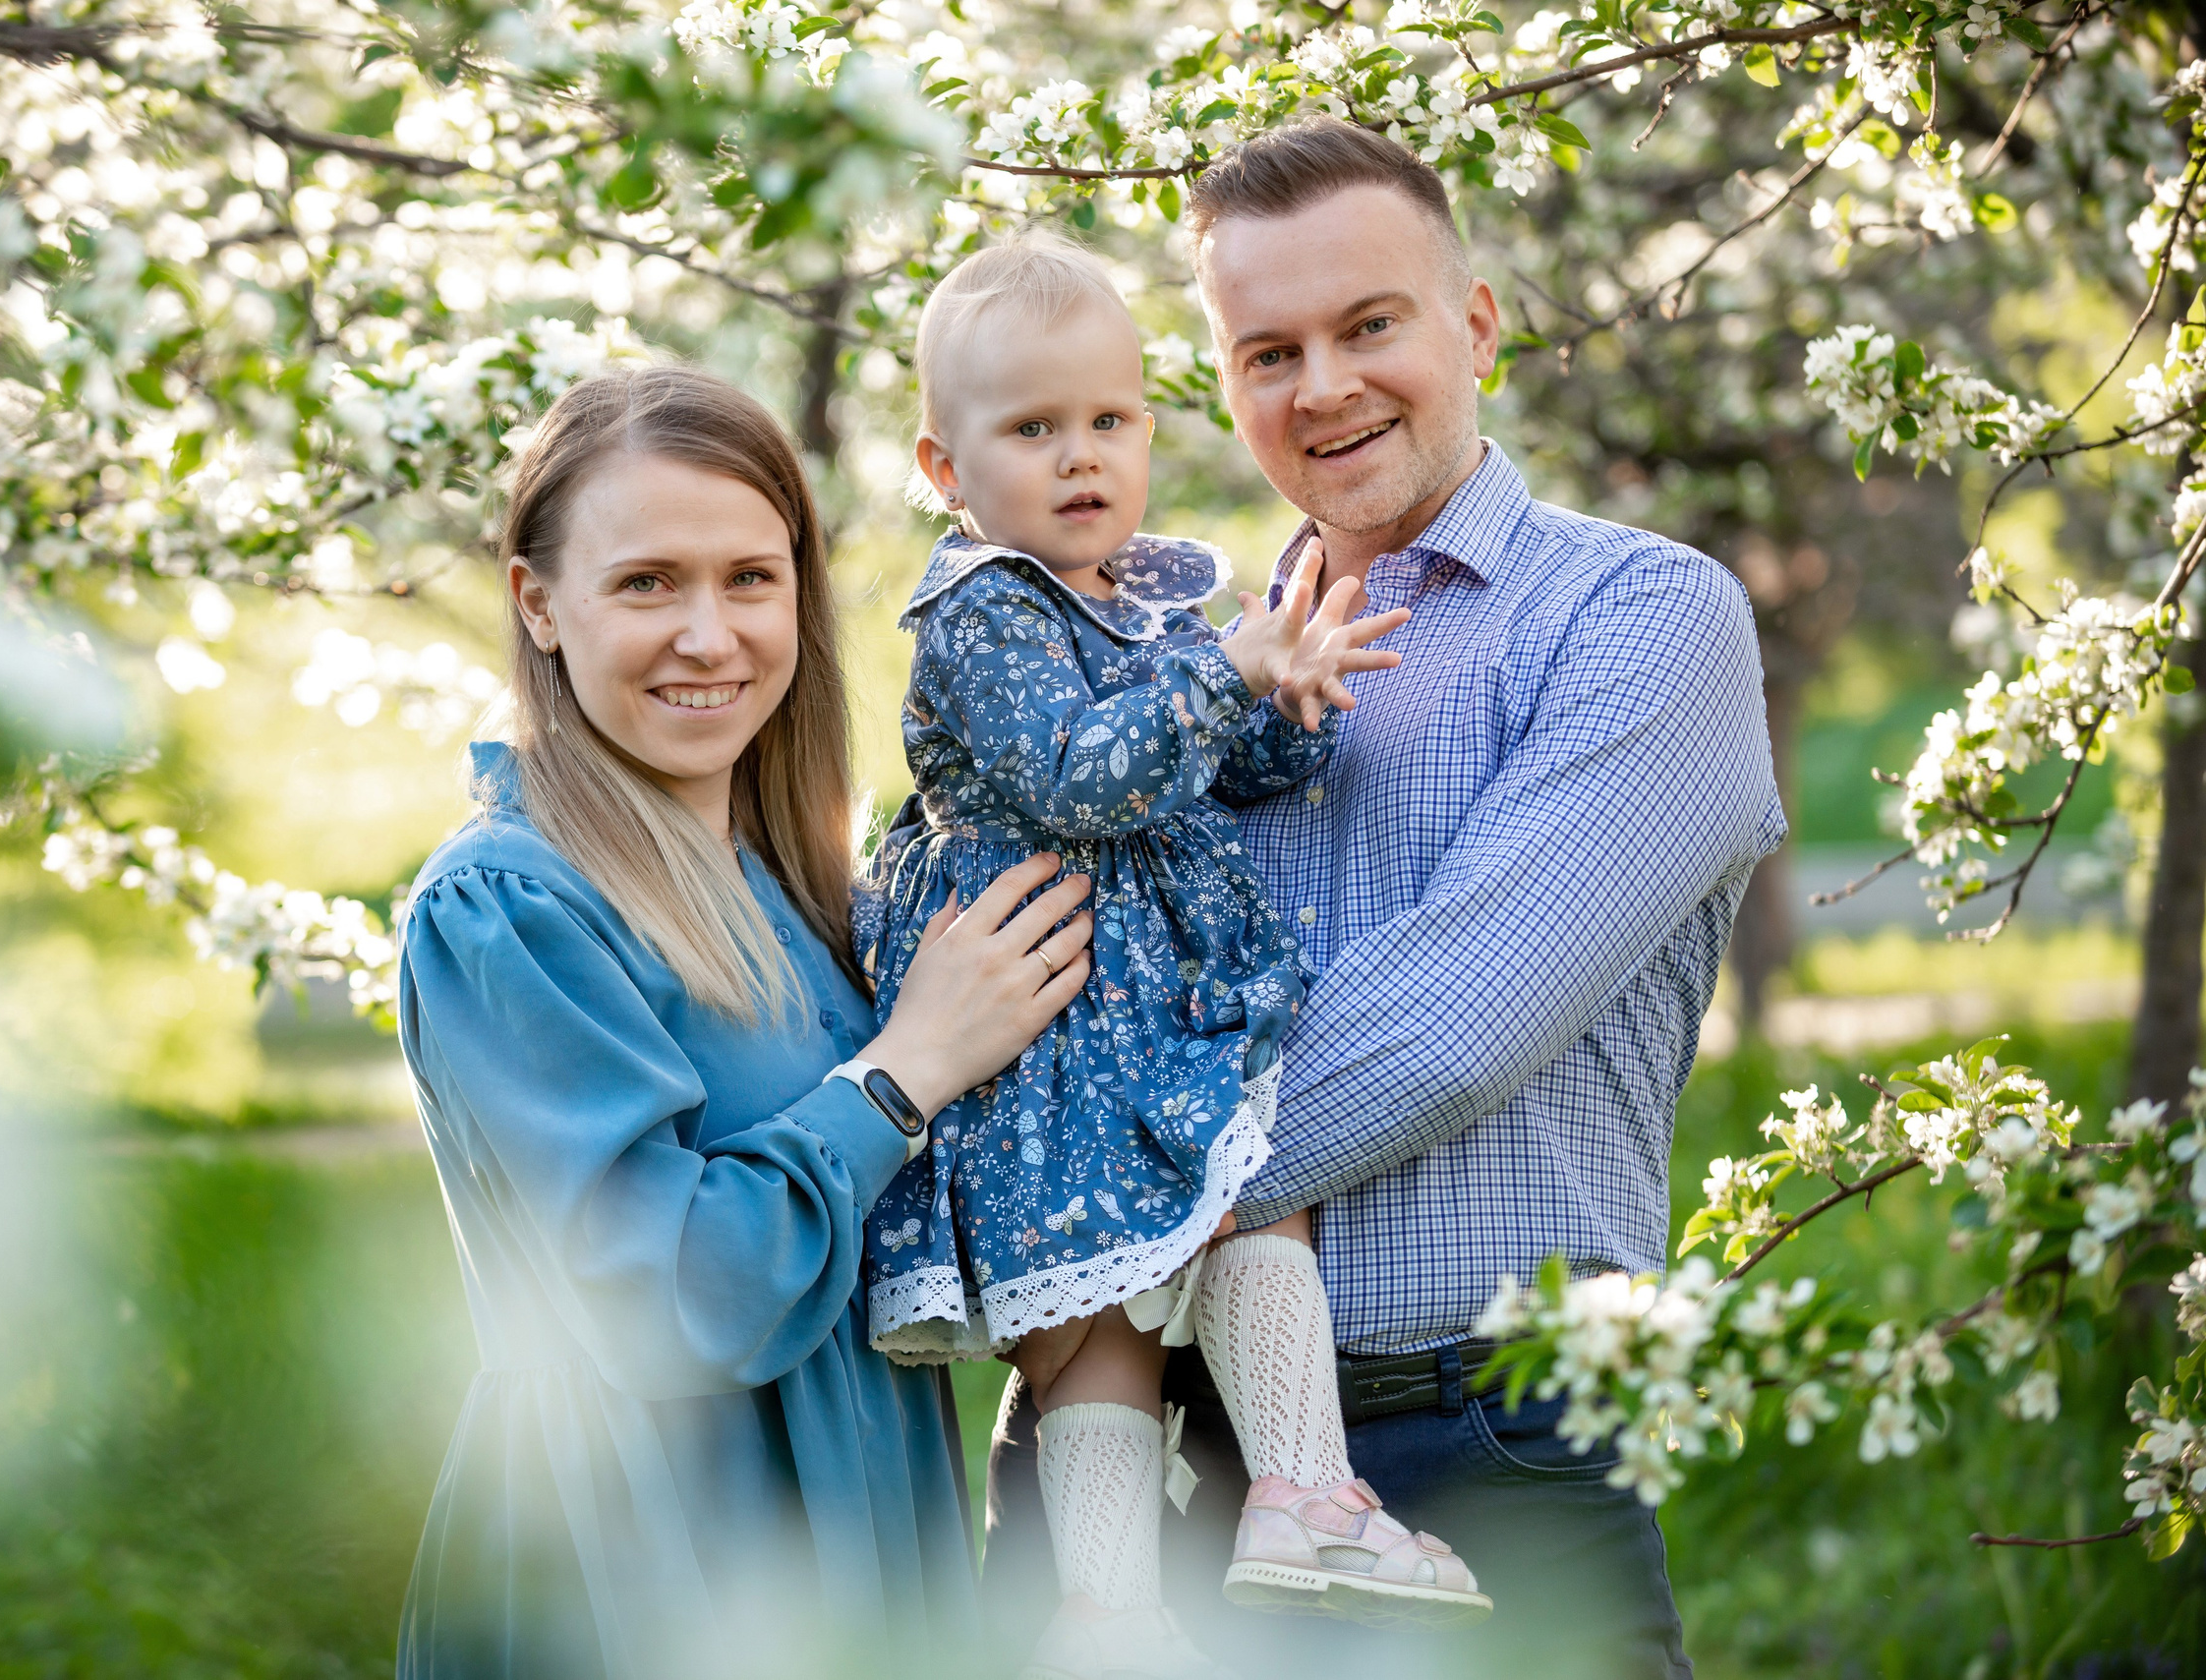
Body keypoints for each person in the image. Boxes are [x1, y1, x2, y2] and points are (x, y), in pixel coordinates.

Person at [977, 120, 1787, 1680]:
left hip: (1470, 1445)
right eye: (1267, 349)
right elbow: (995, 932)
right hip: (1137, 1456)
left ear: (1474, 325)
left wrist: (1064, 1181)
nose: (1324, 388)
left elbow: (1451, 1028)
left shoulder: (1641, 620)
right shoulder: (1164, 668)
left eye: (1369, 327)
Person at [392, 364, 1095, 1680]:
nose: (709, 635)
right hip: (651, 1563)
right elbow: (668, 1291)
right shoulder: (507, 903)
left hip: (861, 1525)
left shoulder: (793, 882)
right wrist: (905, 1072)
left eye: (749, 579)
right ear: (538, 603)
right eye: (647, 581)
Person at [858, 237, 1484, 1680]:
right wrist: (1228, 670)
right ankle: (1127, 1604)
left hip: (1138, 1001)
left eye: (1109, 421)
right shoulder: (984, 613)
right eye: (1033, 430)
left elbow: (1198, 765)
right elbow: (1085, 777)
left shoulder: (1132, 590)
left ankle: (1290, 1499)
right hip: (1071, 1020)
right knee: (1109, 1320)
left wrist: (1285, 700)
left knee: (1228, 1225)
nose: (1082, 459)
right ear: (945, 469)